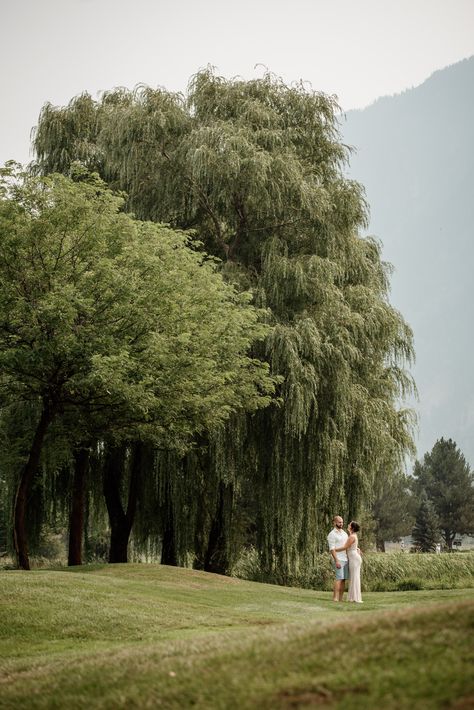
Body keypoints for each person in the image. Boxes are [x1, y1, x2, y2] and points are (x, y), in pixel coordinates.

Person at [335, 521, 363, 603]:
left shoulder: (351, 537)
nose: (348, 525)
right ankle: (354, 597)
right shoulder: (353, 536)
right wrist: (357, 549)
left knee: (354, 577)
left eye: (349, 524)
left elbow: (345, 547)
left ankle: (354, 598)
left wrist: (334, 550)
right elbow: (353, 546)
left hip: (354, 558)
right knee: (354, 577)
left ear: (352, 528)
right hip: (354, 557)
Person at [327, 515, 349, 601]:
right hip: (338, 559)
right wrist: (336, 561)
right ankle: (335, 598)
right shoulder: (332, 534)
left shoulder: (344, 533)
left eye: (342, 522)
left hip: (345, 559)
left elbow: (347, 546)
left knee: (343, 579)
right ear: (335, 522)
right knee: (339, 578)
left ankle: (340, 598)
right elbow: (332, 549)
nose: (341, 523)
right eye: (339, 522)